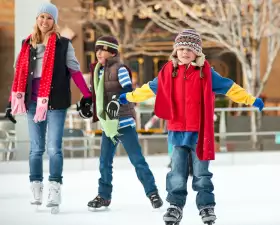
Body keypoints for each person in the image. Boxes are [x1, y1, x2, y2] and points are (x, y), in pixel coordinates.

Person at [119, 29, 264, 225]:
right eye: (181, 48)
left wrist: (251, 100)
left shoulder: (206, 73)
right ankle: (175, 206)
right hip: (178, 131)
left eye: (189, 48)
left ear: (197, 52)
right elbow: (148, 89)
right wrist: (129, 97)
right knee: (177, 173)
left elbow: (231, 88)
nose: (185, 52)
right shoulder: (168, 73)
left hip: (200, 133)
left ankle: (206, 206)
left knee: (201, 173)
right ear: (175, 51)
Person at [5, 2, 92, 211]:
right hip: (33, 103)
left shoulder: (63, 44)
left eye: (49, 18)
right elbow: (19, 76)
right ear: (37, 19)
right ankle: (36, 186)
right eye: (42, 17)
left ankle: (55, 187)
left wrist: (87, 95)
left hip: (56, 102)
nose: (45, 21)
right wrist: (11, 102)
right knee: (36, 149)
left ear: (55, 21)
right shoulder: (27, 44)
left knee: (54, 148)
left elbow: (75, 71)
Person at [83, 35, 163, 211]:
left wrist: (118, 101)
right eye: (96, 49)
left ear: (112, 52)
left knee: (137, 160)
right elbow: (96, 94)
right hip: (108, 124)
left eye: (102, 49)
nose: (98, 53)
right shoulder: (98, 71)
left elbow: (128, 90)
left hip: (124, 122)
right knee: (104, 162)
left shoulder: (120, 69)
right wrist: (87, 103)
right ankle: (104, 196)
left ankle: (153, 193)